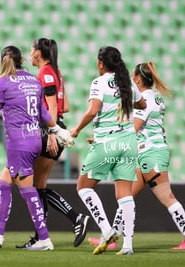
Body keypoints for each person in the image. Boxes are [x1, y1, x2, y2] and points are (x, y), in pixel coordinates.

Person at [0, 45, 65, 251]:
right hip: (35, 140)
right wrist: (57, 131)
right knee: (3, 184)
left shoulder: (2, 82)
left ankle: (44, 239)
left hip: (18, 143)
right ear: (21, 61)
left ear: (3, 60)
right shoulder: (33, 81)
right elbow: (44, 114)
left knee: (28, 190)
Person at [89, 62, 185, 250]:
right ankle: (112, 240)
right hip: (148, 153)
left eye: (133, 77)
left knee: (167, 197)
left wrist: (107, 140)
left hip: (151, 154)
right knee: (126, 196)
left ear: (138, 79)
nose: (131, 80)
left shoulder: (145, 101)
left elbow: (134, 128)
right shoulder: (155, 98)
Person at [70, 46, 146, 256]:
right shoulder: (128, 83)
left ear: (101, 64)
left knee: (83, 187)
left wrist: (76, 129)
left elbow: (93, 110)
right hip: (128, 142)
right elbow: (142, 103)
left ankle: (106, 230)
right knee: (124, 194)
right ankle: (128, 245)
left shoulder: (99, 82)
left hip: (106, 141)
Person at [16, 38, 90, 249]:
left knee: (32, 185)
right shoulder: (56, 73)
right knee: (39, 186)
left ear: (38, 53)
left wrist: (50, 132)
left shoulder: (45, 73)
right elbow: (63, 105)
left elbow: (51, 106)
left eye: (31, 50)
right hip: (55, 128)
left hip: (48, 131)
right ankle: (43, 235)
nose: (30, 54)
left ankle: (74, 219)